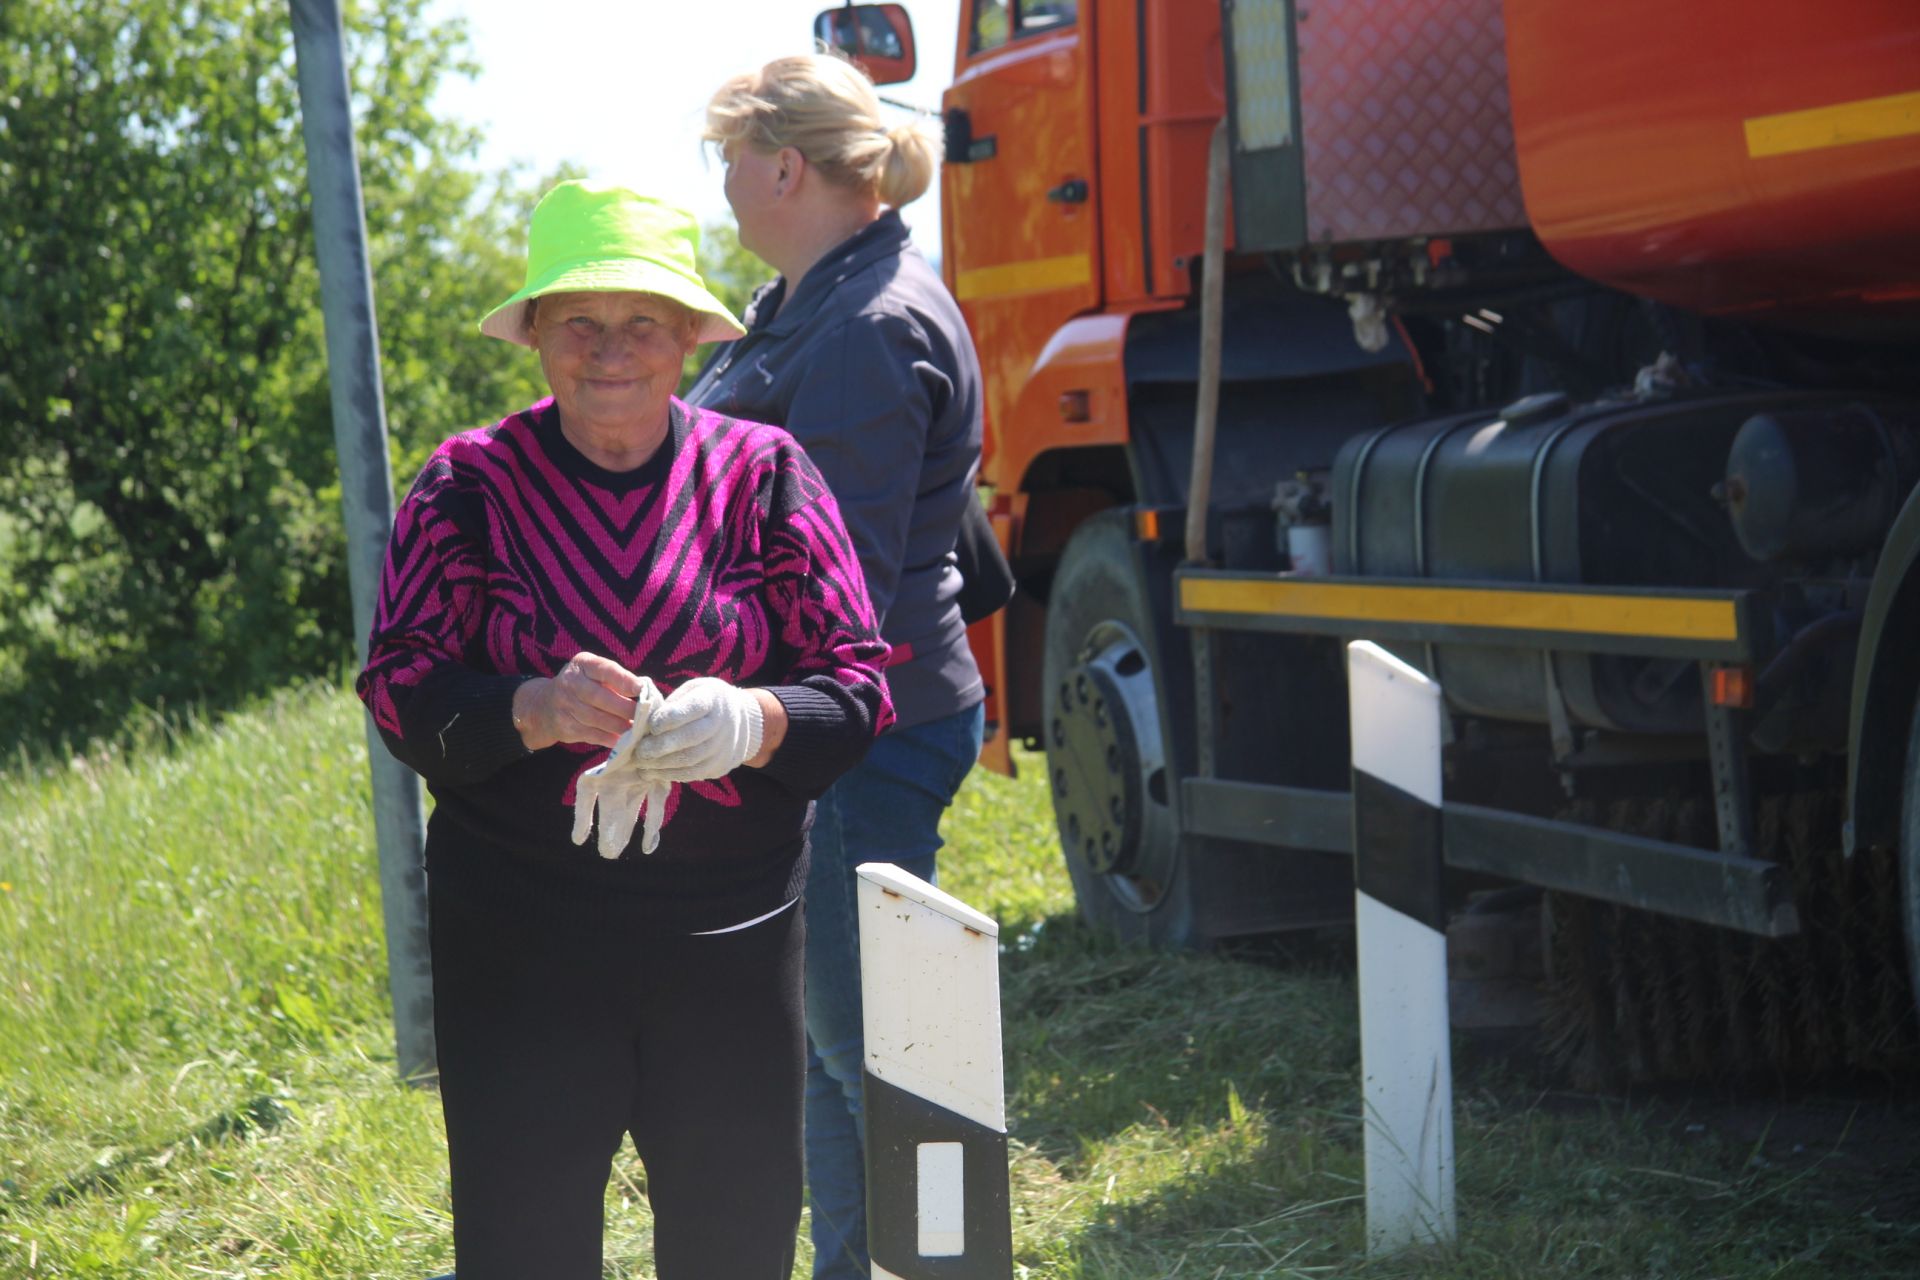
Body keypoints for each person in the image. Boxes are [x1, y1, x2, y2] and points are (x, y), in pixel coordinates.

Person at [355, 179, 893, 1280]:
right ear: (538, 336)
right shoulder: (468, 482)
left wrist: (751, 718)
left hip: (731, 941)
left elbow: (859, 686)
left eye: (643, 322)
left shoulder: (763, 474)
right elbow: (397, 685)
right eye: (581, 323)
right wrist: (531, 707)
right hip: (518, 943)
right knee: (523, 1247)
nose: (612, 350)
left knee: (735, 1242)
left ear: (692, 336)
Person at [689, 53, 988, 1280]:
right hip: (830, 729)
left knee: (886, 1058)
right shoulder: (822, 297)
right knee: (827, 1044)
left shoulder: (865, 327)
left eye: (726, 159)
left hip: (862, 727)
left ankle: (952, 1262)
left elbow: (839, 581)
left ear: (784, 166)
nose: (721, 184)